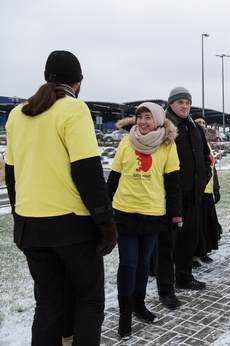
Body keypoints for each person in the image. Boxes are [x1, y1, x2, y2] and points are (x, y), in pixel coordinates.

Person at [5, 50, 117, 345]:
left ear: (46, 76)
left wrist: (20, 220)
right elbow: (88, 172)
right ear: (78, 82)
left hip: (32, 226)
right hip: (72, 227)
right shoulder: (73, 109)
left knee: (48, 306)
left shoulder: (17, 114)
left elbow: (12, 175)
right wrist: (106, 223)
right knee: (89, 302)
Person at [106, 102, 182, 339]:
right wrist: (104, 210)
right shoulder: (125, 142)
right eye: (140, 117)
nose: (142, 121)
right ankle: (125, 315)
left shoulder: (167, 145)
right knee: (128, 263)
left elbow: (173, 183)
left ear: (157, 120)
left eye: (148, 117)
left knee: (142, 263)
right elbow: (114, 178)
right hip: (125, 211)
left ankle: (139, 304)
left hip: (153, 213)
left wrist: (176, 213)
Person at [156, 87, 212, 307]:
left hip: (194, 194)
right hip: (172, 196)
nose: (184, 106)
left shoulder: (194, 127)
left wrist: (204, 175)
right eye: (180, 102)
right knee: (167, 243)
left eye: (187, 103)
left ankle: (184, 277)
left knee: (188, 238)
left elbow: (206, 156)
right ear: (171, 104)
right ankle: (166, 288)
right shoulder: (166, 128)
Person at [192, 114, 221, 266]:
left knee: (206, 224)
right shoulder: (193, 141)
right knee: (196, 225)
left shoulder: (205, 143)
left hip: (207, 190)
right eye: (198, 122)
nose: (202, 125)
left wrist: (216, 187)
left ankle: (203, 251)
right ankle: (193, 255)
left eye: (203, 122)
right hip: (198, 191)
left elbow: (212, 167)